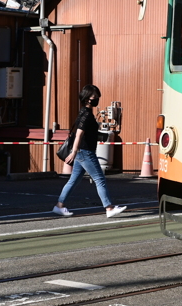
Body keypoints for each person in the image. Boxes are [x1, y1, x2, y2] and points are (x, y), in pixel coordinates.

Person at [52, 84, 127, 218]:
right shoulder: (86, 115)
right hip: (85, 152)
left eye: (97, 97)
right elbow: (79, 134)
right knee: (100, 179)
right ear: (87, 98)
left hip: (82, 152)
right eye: (94, 97)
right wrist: (74, 152)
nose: (96, 99)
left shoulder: (83, 112)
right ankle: (109, 208)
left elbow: (85, 133)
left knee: (73, 181)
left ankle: (59, 206)